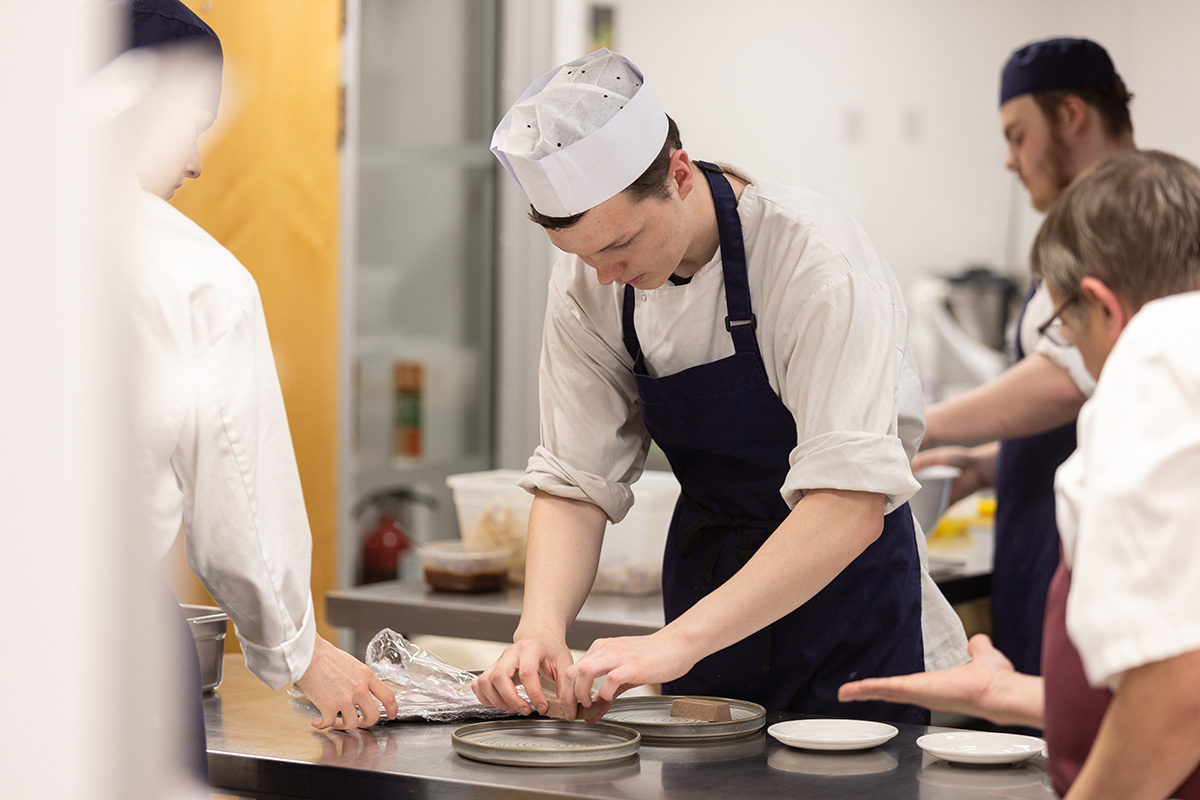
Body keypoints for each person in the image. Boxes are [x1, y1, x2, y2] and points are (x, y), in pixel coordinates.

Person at [471, 49, 966, 724]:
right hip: (708, 587)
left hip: (846, 605)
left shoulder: (811, 259)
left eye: (621, 246)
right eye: (583, 257)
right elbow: (575, 478)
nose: (606, 274)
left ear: (679, 174)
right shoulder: (593, 275)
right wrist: (540, 629)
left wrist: (678, 643)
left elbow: (849, 503)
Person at [841, 149, 1200, 799]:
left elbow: (1180, 694)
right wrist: (1017, 695)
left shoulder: (1154, 358)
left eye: (1062, 327)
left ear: (1104, 309)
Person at [102, 0, 397, 750]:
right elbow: (238, 484)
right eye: (192, 121)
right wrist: (298, 649)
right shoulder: (192, 272)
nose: (198, 160)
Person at [916, 38, 1136, 677]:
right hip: (1036, 524)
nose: (1010, 161)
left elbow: (1066, 379)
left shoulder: (1128, 213)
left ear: (1072, 114)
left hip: (1087, 538)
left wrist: (913, 419)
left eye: (1018, 136)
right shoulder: (1076, 226)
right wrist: (989, 464)